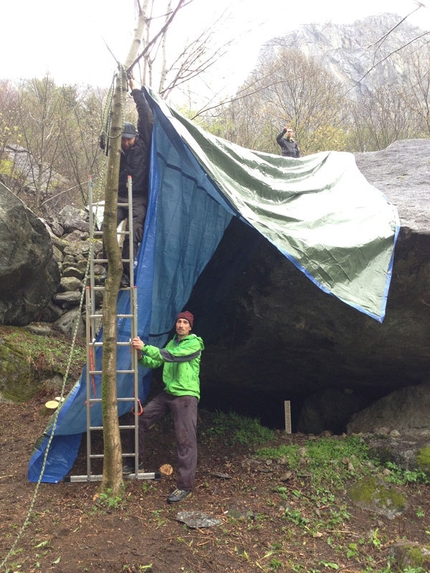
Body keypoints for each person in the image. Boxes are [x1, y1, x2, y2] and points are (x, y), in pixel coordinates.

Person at [127, 311, 204, 504]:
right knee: (139, 419)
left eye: (185, 322)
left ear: (190, 327)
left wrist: (145, 346)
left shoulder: (195, 344)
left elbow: (173, 357)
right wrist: (140, 356)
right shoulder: (172, 343)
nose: (180, 325)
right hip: (168, 394)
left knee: (185, 440)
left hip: (186, 396)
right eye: (178, 321)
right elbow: (156, 361)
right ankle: (135, 463)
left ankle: (185, 486)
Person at [102, 77, 154, 287]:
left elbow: (146, 118)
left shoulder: (142, 144)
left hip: (138, 196)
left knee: (133, 232)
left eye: (129, 138)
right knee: (108, 227)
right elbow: (104, 139)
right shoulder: (116, 149)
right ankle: (109, 269)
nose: (126, 141)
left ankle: (125, 272)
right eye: (123, 138)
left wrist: (136, 91)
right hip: (119, 194)